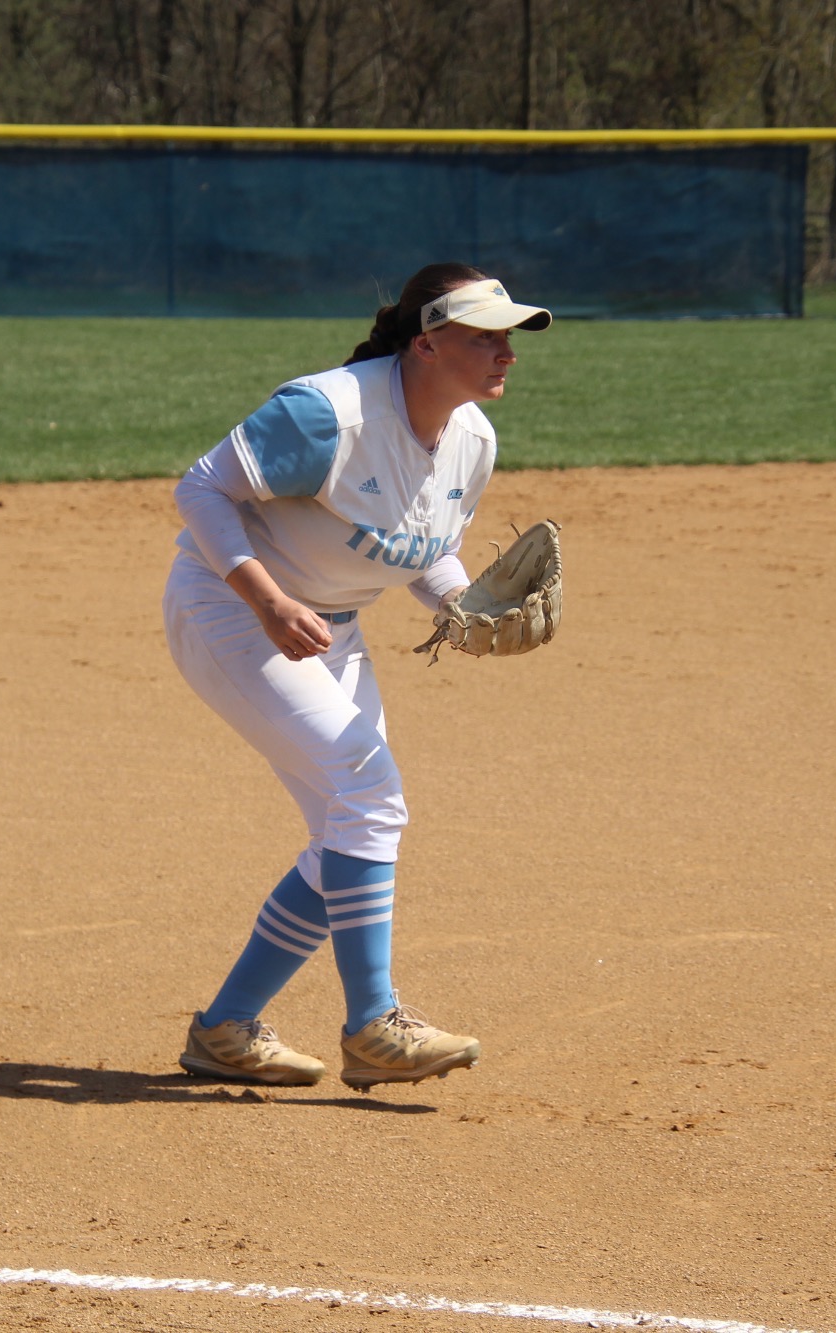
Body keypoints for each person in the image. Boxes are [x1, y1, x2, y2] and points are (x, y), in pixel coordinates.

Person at [164, 263, 552, 1090]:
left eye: (509, 339)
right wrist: (266, 601)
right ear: (426, 343)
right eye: (485, 337)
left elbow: (422, 546)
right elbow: (199, 489)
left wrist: (464, 610)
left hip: (329, 630)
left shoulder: (472, 440)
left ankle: (227, 1028)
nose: (505, 354)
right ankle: (374, 1024)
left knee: (351, 828)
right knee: (371, 795)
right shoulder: (327, 414)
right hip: (232, 607)